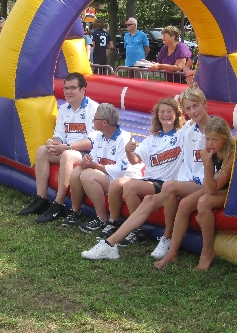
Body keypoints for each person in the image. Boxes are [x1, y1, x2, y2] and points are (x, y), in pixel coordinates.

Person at [81, 87, 211, 261]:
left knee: (153, 186)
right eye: (188, 108)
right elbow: (135, 159)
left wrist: (192, 84)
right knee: (146, 196)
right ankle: (110, 243)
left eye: (195, 106)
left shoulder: (188, 131)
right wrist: (129, 151)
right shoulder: (179, 133)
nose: (192, 111)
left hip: (187, 184)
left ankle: (165, 237)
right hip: (176, 183)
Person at [95, 98, 186, 240]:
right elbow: (135, 160)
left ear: (176, 114)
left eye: (169, 111)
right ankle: (113, 222)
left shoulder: (182, 134)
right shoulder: (152, 139)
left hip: (166, 183)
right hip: (150, 180)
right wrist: (128, 151)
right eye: (162, 112)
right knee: (116, 184)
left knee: (130, 186)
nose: (166, 115)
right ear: (157, 116)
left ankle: (138, 230)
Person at [154, 116, 235, 270]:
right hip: (217, 188)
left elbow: (211, 189)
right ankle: (172, 252)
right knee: (184, 204)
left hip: (233, 191)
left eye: (214, 139)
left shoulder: (231, 154)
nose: (210, 143)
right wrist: (207, 162)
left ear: (225, 139)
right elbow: (210, 185)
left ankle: (207, 251)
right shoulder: (211, 151)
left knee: (203, 202)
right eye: (207, 139)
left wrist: (206, 162)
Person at [18, 72, 99, 223]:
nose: (68, 92)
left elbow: (92, 141)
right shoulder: (64, 108)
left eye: (73, 88)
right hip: (68, 149)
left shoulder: (94, 109)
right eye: (66, 88)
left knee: (67, 155)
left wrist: (66, 147)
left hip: (87, 153)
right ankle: (41, 199)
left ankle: (59, 204)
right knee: (42, 150)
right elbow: (59, 134)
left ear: (83, 90)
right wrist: (53, 143)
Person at [61, 103, 143, 232]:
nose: (93, 121)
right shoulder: (99, 136)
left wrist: (93, 165)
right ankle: (75, 211)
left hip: (124, 180)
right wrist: (87, 160)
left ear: (104, 122)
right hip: (108, 176)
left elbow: (120, 171)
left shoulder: (125, 138)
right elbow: (94, 158)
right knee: (77, 171)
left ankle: (102, 218)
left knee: (87, 175)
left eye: (95, 119)